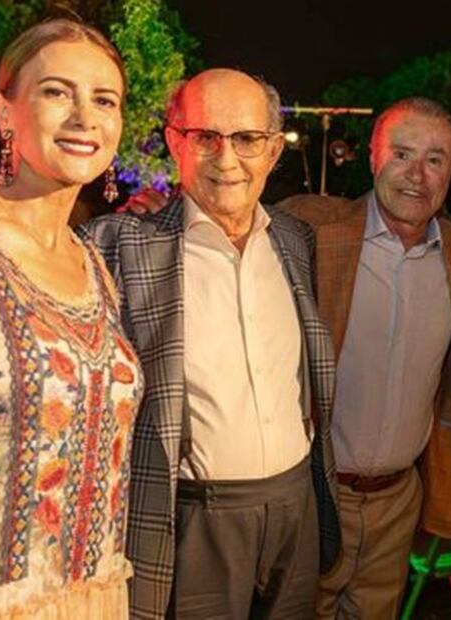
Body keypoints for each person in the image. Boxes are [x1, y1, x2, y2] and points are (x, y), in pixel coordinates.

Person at [83, 68, 339, 619]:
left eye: (247, 138)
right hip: (193, 519)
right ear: (175, 142)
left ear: (273, 150)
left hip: (297, 507)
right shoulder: (118, 246)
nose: (227, 159)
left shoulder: (296, 241)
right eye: (205, 136)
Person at [0, 18, 142, 618]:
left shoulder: (94, 264)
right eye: (56, 92)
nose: (84, 117)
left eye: (105, 100)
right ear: (5, 112)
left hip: (94, 597)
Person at [277, 97, 451, 619]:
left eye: (435, 159)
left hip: (399, 503)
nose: (417, 175)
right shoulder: (310, 228)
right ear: (373, 157)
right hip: (315, 494)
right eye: (402, 154)